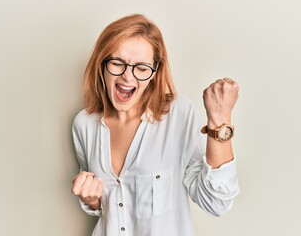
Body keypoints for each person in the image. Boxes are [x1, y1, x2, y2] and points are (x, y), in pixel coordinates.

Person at [71, 14, 239, 236]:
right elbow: (110, 205)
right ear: (102, 64)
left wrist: (220, 120)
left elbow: (216, 203)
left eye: (141, 67)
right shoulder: (84, 124)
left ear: (154, 72)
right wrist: (92, 199)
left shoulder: (179, 114)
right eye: (117, 63)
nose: (128, 77)